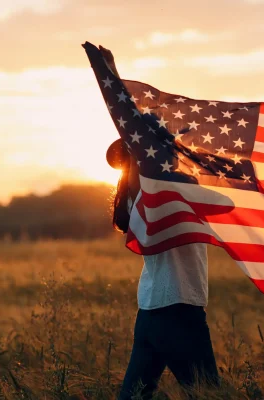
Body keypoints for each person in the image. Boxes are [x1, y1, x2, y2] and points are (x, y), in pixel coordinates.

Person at [100, 46, 220, 400]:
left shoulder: (141, 197)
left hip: (151, 310)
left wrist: (114, 77)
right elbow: (225, 203)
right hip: (179, 308)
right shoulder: (167, 192)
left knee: (134, 397)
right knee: (209, 394)